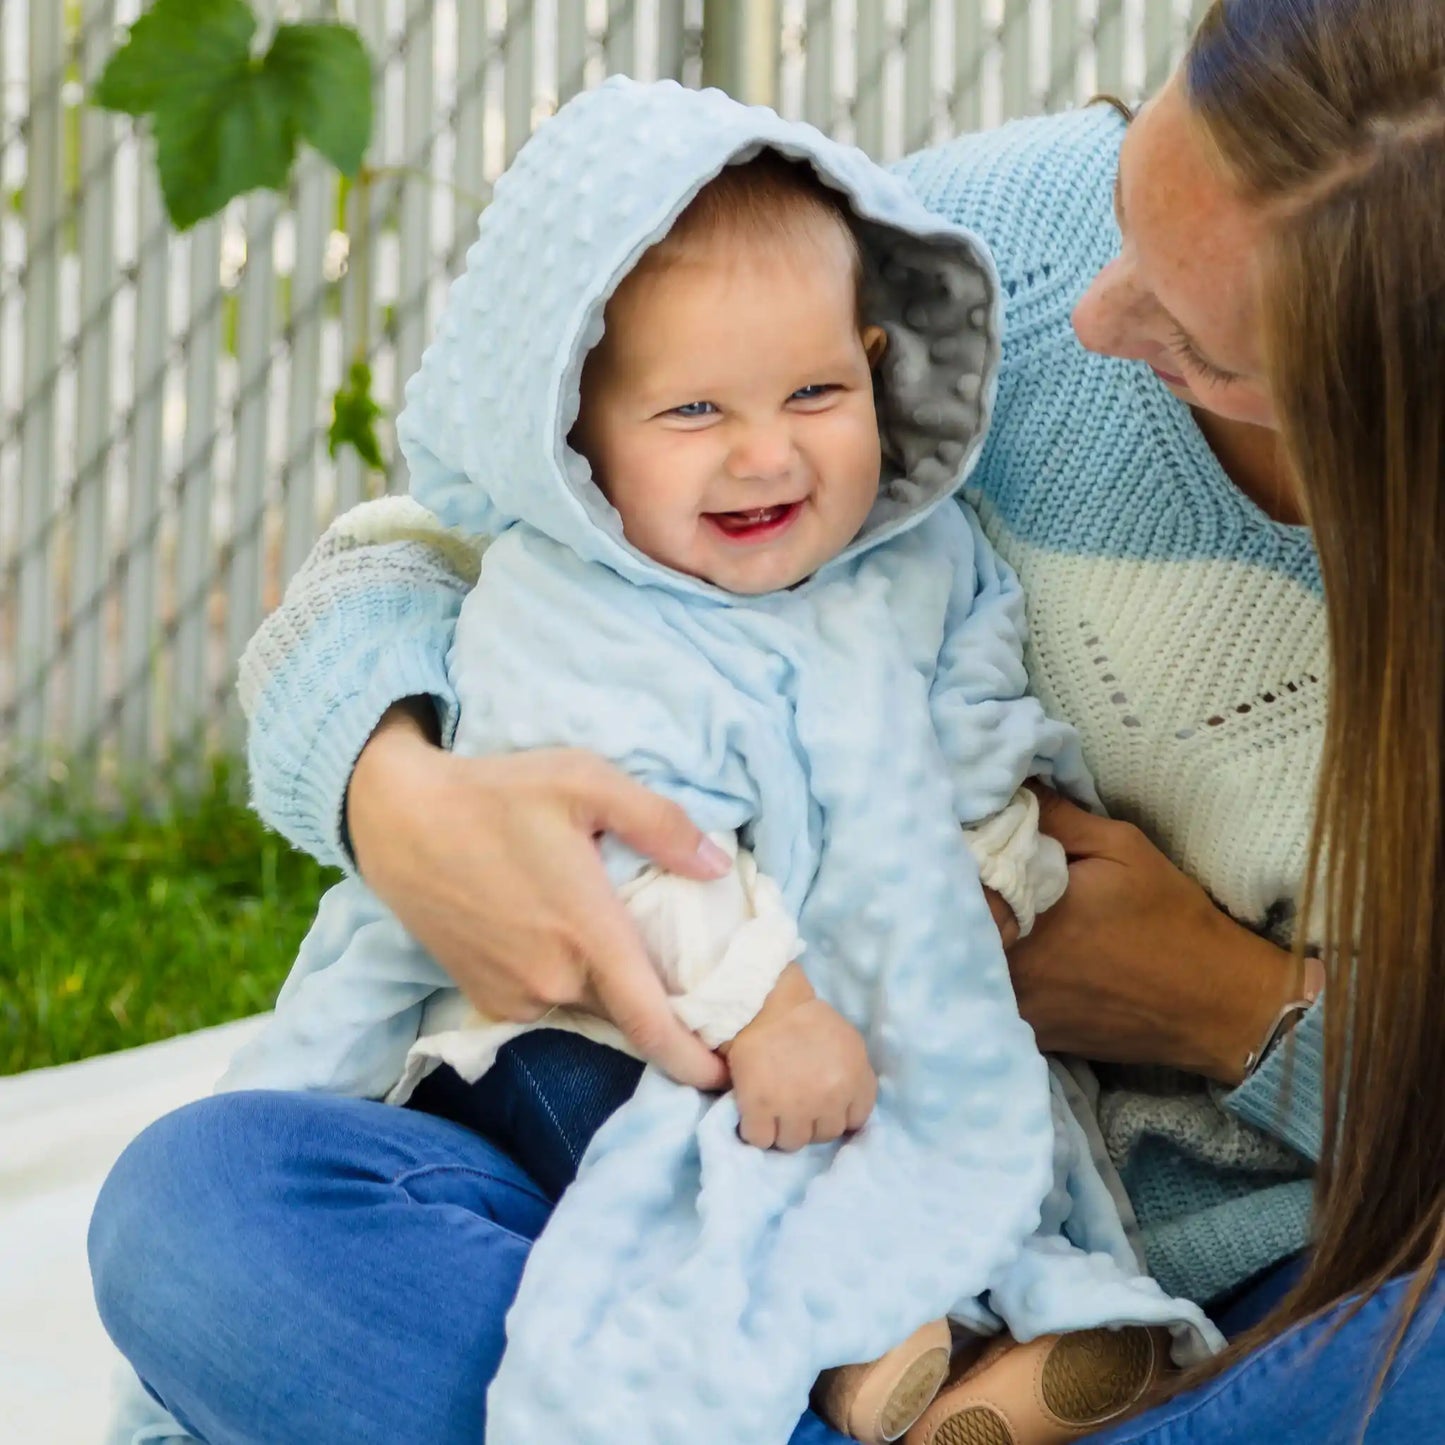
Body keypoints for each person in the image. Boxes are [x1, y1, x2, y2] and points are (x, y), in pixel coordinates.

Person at [89, 0, 1445, 1441]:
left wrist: (1227, 1006)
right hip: (701, 1161)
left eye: (1194, 337)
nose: (1092, 317)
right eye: (1130, 210)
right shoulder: (977, 243)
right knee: (206, 1211)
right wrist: (400, 792)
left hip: (1258, 1290)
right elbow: (456, 544)